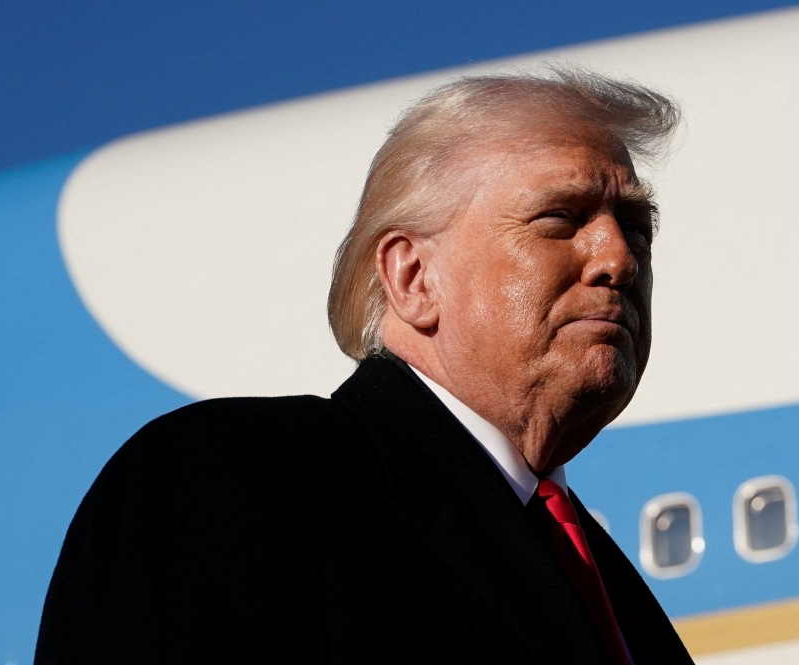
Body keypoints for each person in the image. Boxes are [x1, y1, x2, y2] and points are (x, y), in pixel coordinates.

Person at [35, 67, 693, 664]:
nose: (618, 258)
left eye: (636, 226)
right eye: (561, 217)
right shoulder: (228, 480)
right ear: (413, 276)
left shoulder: (622, 600)